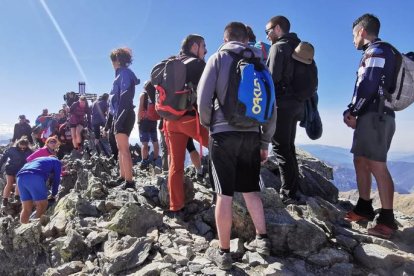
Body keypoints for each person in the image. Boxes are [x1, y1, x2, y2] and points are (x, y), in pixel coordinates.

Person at [198, 22, 276, 270]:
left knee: (224, 194)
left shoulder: (219, 57)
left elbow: (203, 99)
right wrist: (265, 140)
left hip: (223, 135)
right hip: (252, 135)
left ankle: (223, 253)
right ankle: (262, 239)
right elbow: (272, 105)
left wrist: (211, 123)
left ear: (226, 37)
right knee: (251, 190)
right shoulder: (260, 62)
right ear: (245, 39)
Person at [343, 14, 398, 239]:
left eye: (354, 34)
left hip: (375, 116)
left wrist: (353, 111)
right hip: (376, 116)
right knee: (361, 160)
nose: (353, 39)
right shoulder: (382, 51)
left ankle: (386, 220)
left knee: (377, 165)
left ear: (362, 32)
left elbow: (368, 85)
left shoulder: (376, 51)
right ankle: (364, 207)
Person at [164, 34, 209, 214]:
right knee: (220, 148)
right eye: (203, 46)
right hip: (191, 119)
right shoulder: (197, 64)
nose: (205, 51)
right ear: (194, 46)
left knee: (176, 164)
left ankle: (176, 206)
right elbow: (206, 94)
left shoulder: (171, 63)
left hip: (170, 121)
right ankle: (224, 194)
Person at [265, 15, 303, 204]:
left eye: (268, 31)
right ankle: (295, 188)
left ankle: (288, 193)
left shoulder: (278, 47)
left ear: (278, 28)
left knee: (281, 148)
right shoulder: (298, 46)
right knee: (289, 147)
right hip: (297, 105)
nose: (267, 36)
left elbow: (271, 80)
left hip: (282, 105)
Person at [109, 47, 139, 189]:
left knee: (124, 148)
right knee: (121, 148)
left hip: (124, 114)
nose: (112, 63)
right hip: (122, 114)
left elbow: (125, 97)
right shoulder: (122, 74)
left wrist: (119, 119)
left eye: (113, 60)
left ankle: (129, 181)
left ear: (118, 60)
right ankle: (123, 177)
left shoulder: (124, 74)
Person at [16, 156, 61, 223]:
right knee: (42, 205)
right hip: (34, 176)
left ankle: (22, 229)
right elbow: (56, 179)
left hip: (20, 178)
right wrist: (54, 194)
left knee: (26, 208)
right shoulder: (56, 161)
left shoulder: (37, 160)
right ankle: (35, 227)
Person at [0, 137, 33, 208]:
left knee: (19, 183)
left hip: (21, 169)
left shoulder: (29, 151)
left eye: (25, 146)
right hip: (10, 168)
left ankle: (16, 197)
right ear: (18, 144)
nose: (23, 147)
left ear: (27, 145)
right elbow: (3, 159)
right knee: (9, 183)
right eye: (21, 145)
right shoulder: (12, 149)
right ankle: (5, 199)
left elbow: (32, 160)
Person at [137, 81, 160, 169]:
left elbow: (140, 108)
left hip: (145, 121)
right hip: (154, 120)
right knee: (155, 141)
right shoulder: (156, 94)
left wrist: (138, 121)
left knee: (144, 143)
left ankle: (144, 161)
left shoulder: (143, 95)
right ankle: (155, 160)